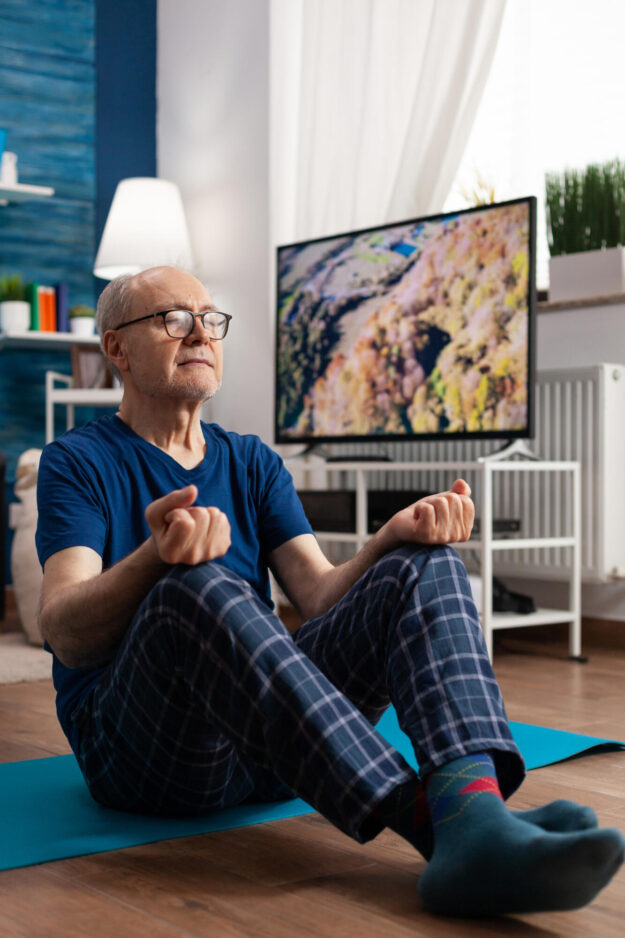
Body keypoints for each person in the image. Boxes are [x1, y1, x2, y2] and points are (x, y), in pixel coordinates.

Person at [36, 266, 624, 918]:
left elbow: (317, 596)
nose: (200, 332)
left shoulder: (252, 459)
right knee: (191, 586)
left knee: (421, 562)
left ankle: (472, 808)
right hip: (150, 757)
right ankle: (443, 826)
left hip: (272, 750)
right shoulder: (77, 460)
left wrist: (389, 539)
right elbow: (63, 629)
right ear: (116, 348)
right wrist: (155, 558)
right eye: (173, 318)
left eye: (209, 318)